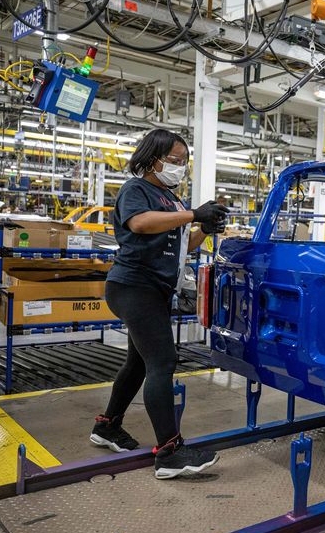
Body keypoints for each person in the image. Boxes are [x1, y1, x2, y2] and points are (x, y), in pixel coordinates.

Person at [89, 128, 229, 480]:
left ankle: (107, 426)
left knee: (139, 363)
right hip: (134, 286)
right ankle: (170, 452)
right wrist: (193, 214)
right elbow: (140, 223)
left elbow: (183, 243)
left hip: (154, 289)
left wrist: (205, 228)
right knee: (163, 361)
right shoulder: (137, 189)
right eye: (175, 161)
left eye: (184, 162)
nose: (180, 167)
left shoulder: (172, 199)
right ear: (153, 159)